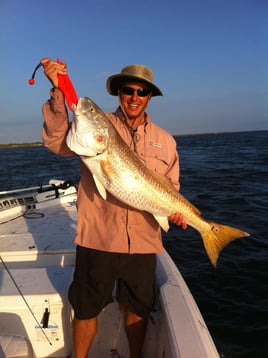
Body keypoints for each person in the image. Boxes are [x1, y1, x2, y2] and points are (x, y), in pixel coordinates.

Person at [41, 58, 187, 358]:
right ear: (119, 92)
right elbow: (57, 141)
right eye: (128, 89)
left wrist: (175, 211)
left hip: (144, 242)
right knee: (85, 309)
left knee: (137, 310)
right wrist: (58, 92)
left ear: (149, 96)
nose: (134, 97)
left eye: (141, 91)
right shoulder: (96, 125)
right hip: (99, 238)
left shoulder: (166, 141)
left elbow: (171, 189)